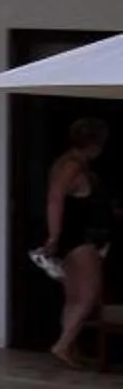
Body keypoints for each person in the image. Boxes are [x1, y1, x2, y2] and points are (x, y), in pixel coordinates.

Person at [44, 117, 112, 369]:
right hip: (79, 237)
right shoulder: (71, 166)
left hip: (73, 236)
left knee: (74, 297)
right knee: (89, 294)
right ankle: (63, 344)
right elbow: (55, 199)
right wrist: (54, 235)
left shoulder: (71, 163)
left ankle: (69, 347)